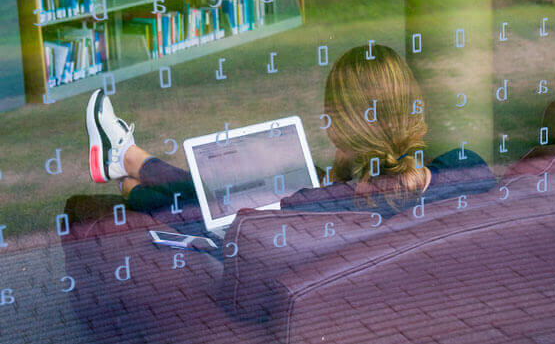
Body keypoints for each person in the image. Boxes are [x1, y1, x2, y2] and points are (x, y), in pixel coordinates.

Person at [85, 45, 495, 235]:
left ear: (338, 126)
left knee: (202, 203)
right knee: (210, 193)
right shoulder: (468, 166)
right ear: (414, 107)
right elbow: (397, 188)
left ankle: (128, 170)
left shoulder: (312, 205)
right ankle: (128, 164)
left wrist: (338, 173)